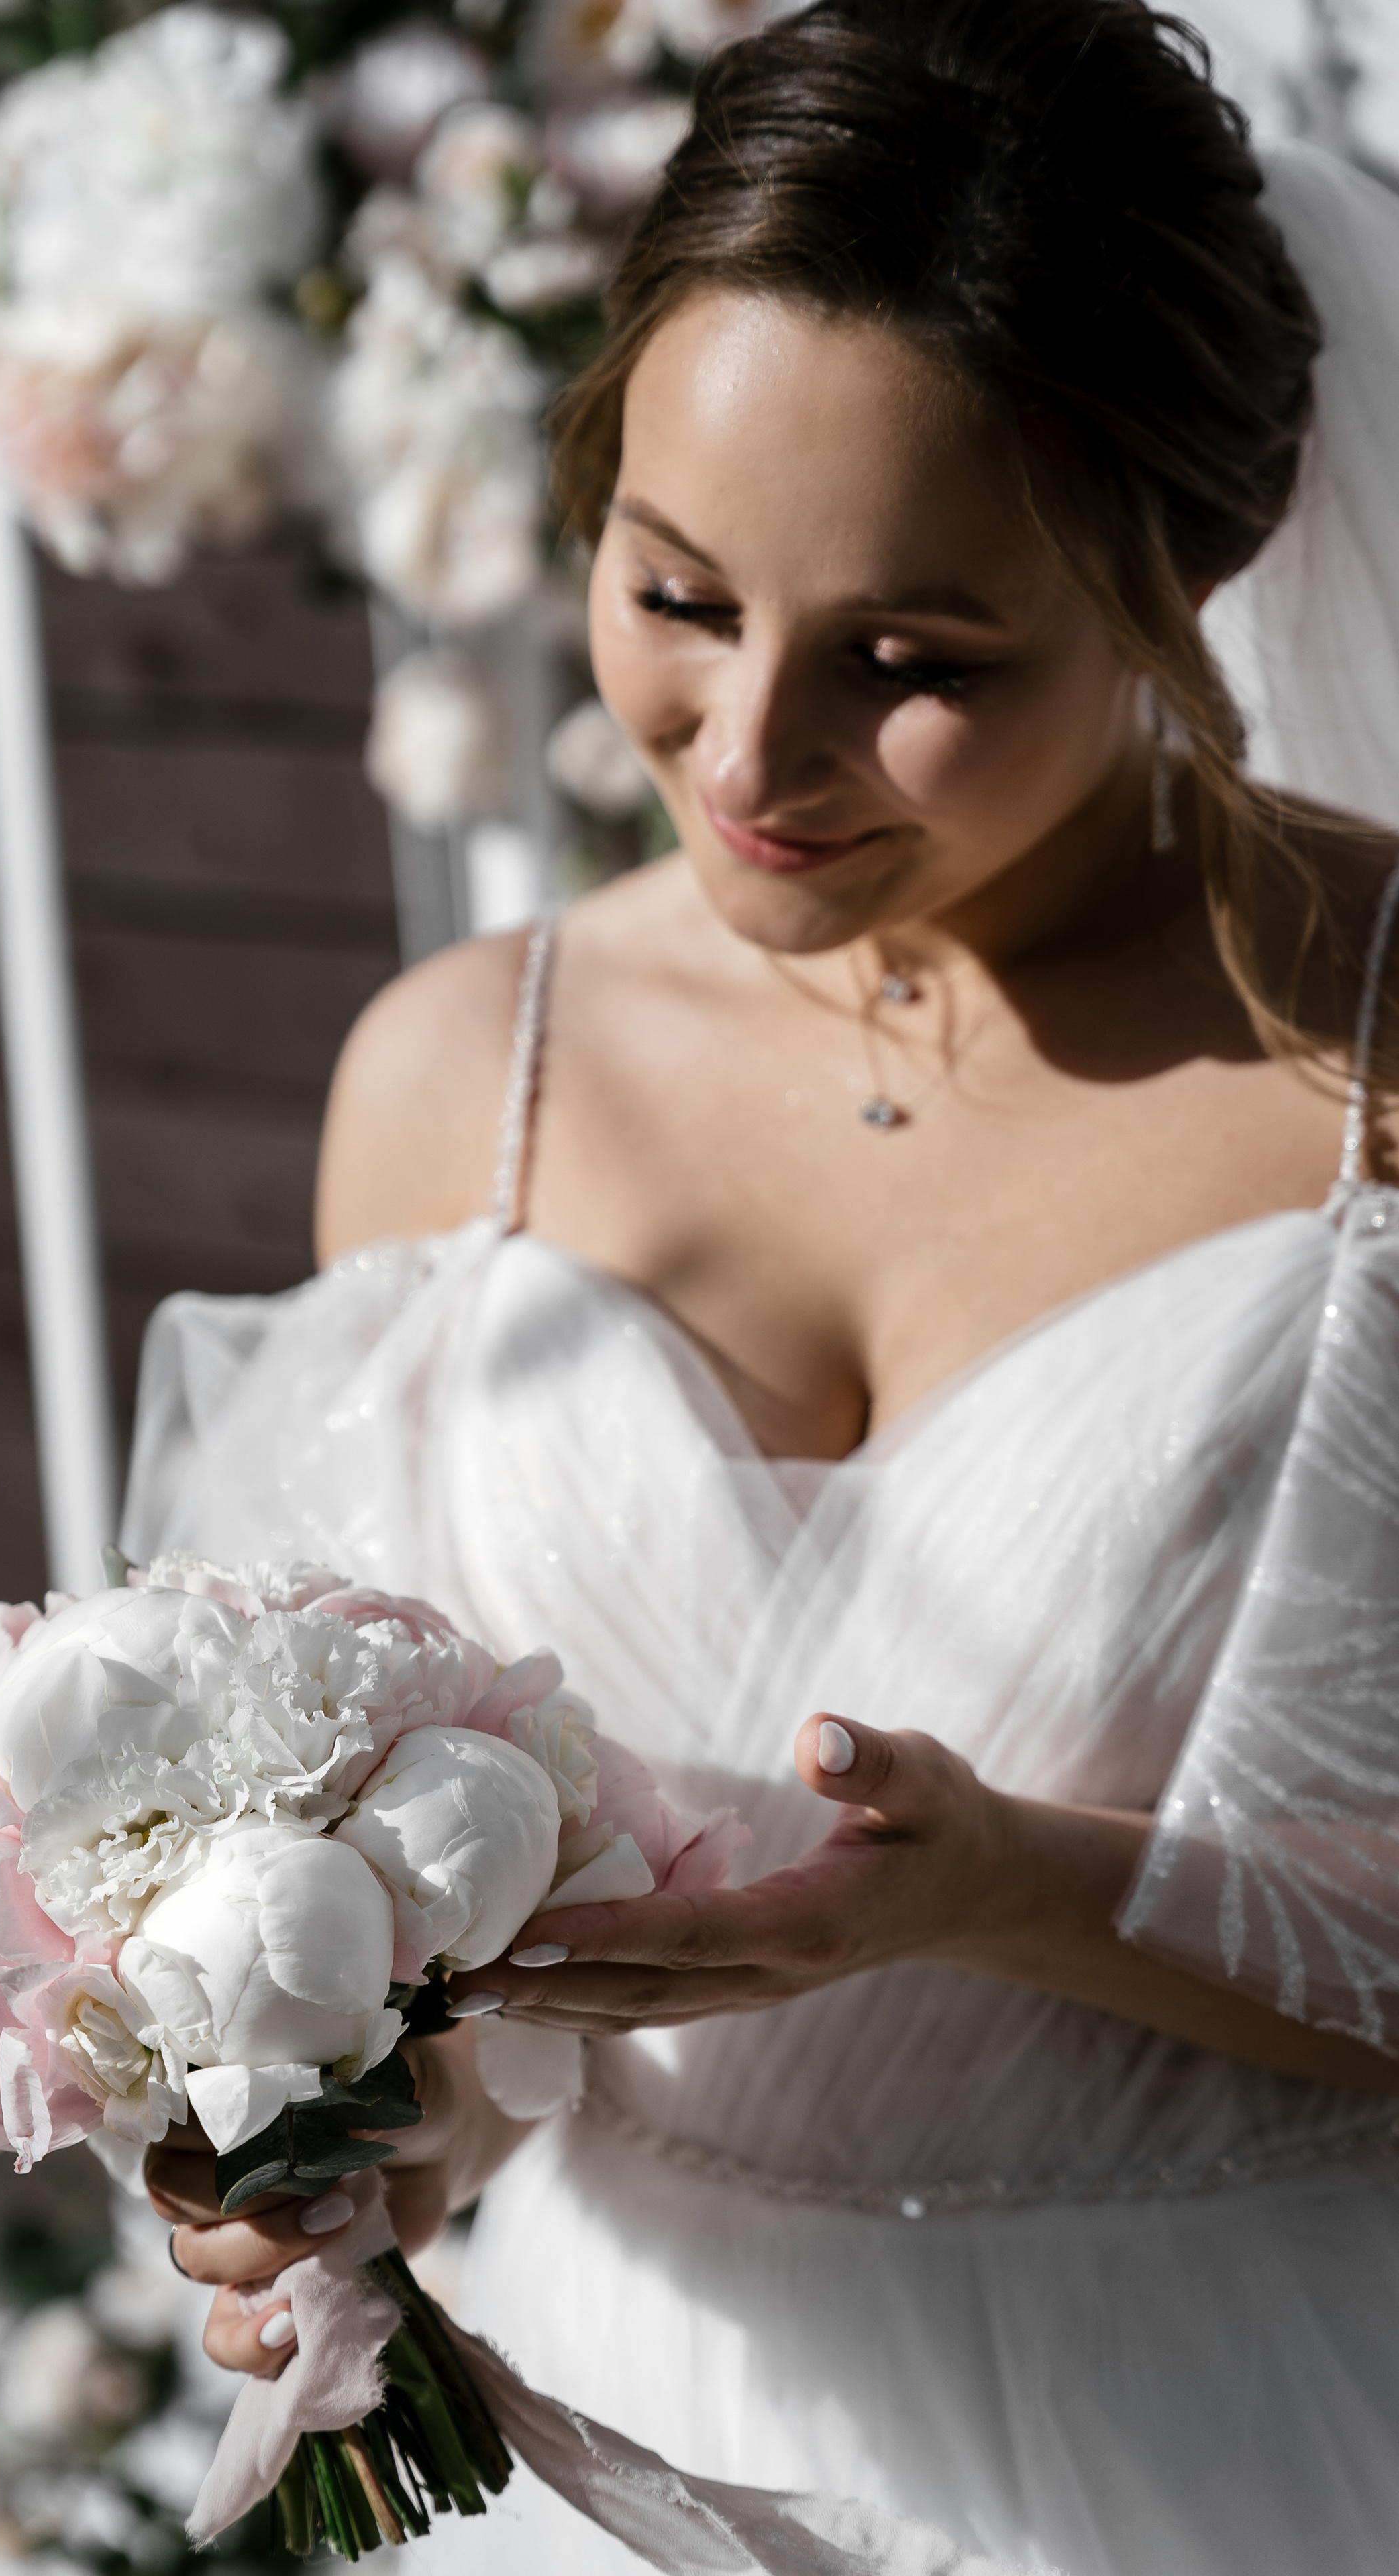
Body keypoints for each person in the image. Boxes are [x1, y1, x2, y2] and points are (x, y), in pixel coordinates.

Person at [132, 5, 1399, 2568]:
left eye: (917, 662)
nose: (748, 749)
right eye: (678, 592)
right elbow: (422, 1955)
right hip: (610, 2464)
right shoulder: (453, 1085)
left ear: (1191, 570)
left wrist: (1018, 1890)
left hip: (1247, 2430)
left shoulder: (1375, 1054)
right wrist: (327, 2152)